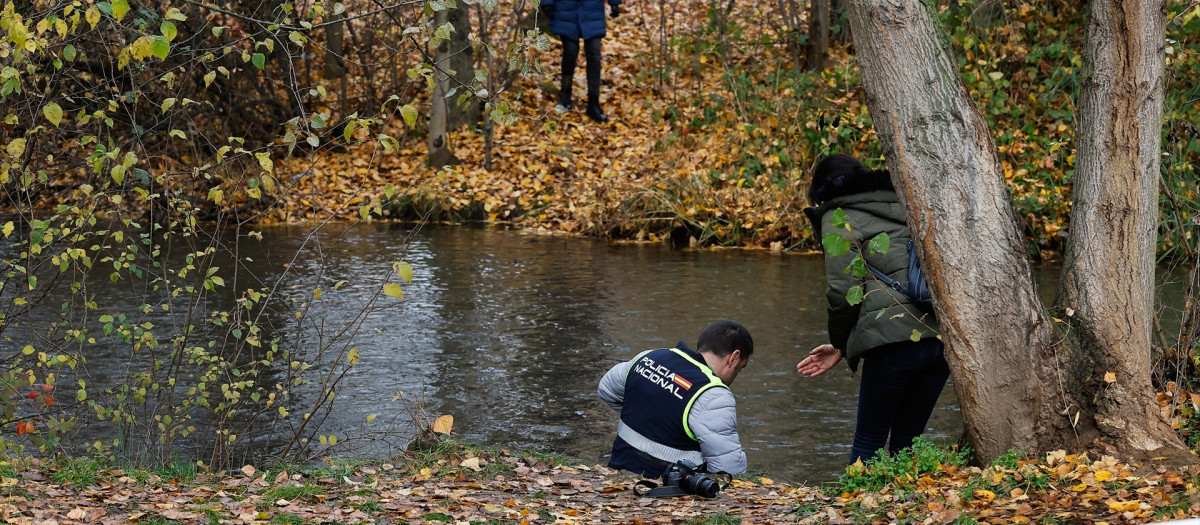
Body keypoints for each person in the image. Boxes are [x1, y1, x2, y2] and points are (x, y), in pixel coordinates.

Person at [796, 154, 949, 465]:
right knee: (908, 443)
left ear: (822, 192)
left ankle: (856, 508)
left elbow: (842, 291)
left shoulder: (838, 216)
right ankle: (905, 508)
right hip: (940, 339)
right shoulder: (909, 204)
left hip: (892, 341)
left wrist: (840, 343)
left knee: (869, 440)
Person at [597, 320, 752, 477]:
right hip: (665, 489)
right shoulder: (714, 394)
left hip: (616, 472)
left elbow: (606, 390)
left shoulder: (650, 357)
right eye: (739, 368)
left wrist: (646, 416)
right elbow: (729, 468)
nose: (736, 375)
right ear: (734, 357)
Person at [542, 0, 621, 123]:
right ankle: (565, 95)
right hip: (566, 10)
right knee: (570, 52)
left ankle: (593, 102)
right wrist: (547, 3)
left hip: (592, 10)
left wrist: (614, 3)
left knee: (594, 53)